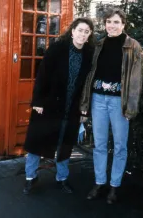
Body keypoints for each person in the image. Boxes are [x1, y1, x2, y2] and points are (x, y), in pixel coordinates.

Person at [23, 17, 95, 195]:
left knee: (65, 143)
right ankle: (30, 177)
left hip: (71, 107)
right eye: (80, 30)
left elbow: (88, 84)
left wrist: (85, 108)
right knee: (37, 141)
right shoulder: (57, 49)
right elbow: (42, 75)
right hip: (49, 104)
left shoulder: (89, 54)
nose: (82, 34)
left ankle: (62, 178)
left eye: (87, 32)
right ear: (72, 31)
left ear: (90, 35)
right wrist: (38, 101)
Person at [80, 8, 143, 204]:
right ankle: (100, 182)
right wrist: (85, 101)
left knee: (119, 146)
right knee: (99, 144)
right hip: (99, 99)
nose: (112, 25)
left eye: (116, 22)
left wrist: (130, 107)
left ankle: (114, 186)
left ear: (123, 24)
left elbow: (135, 81)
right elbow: (90, 74)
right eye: (109, 21)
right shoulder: (99, 44)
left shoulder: (133, 47)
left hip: (119, 102)